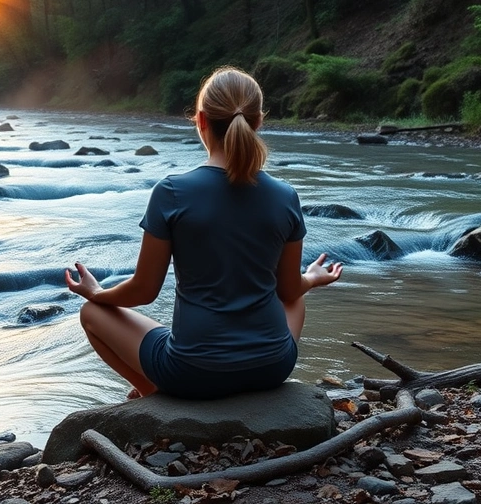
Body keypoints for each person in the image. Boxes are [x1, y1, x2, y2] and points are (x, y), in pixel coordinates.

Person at [64, 66, 341, 400]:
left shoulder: (172, 192)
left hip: (192, 373)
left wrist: (98, 293)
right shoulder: (285, 195)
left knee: (91, 315)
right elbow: (288, 289)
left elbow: (143, 290)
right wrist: (311, 277)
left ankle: (152, 392)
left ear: (200, 120)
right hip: (272, 367)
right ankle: (173, 388)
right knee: (297, 300)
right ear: (257, 123)